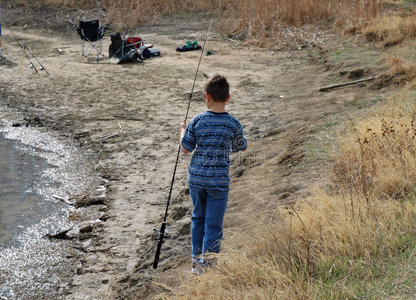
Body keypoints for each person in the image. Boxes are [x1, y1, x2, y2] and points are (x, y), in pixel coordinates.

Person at [179, 74, 248, 275]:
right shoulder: (233, 123)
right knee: (213, 224)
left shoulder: (197, 120)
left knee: (198, 217)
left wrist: (182, 130)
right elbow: (242, 147)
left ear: (206, 96)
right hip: (218, 181)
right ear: (228, 98)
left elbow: (185, 149)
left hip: (197, 179)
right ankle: (206, 266)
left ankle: (195, 259)